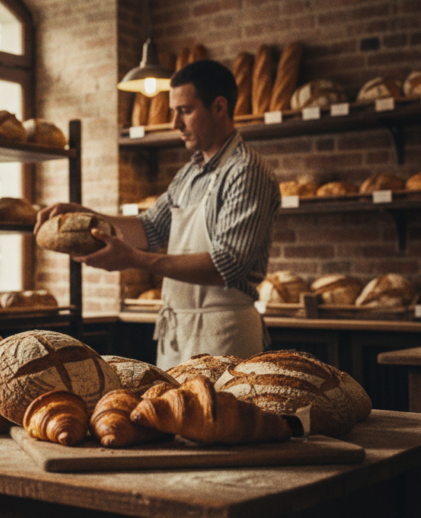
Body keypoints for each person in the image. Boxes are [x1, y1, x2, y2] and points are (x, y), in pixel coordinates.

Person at [34, 60, 279, 369]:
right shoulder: (190, 174)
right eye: (172, 111)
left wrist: (134, 260)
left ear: (219, 107)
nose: (175, 123)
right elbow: (149, 229)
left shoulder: (246, 171)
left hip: (226, 336)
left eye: (185, 111)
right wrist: (86, 214)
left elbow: (226, 265)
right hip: (178, 335)